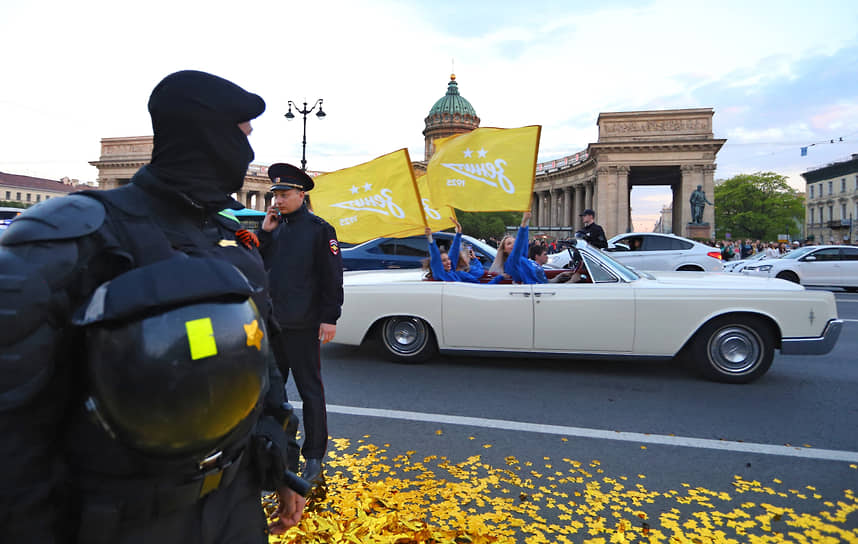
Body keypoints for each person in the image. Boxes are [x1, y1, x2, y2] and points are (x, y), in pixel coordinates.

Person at [0, 70, 307, 543]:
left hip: (234, 506)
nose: (248, 155)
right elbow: (13, 427)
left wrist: (283, 459)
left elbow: (260, 362)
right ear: (206, 138)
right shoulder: (72, 238)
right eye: (243, 137)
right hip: (121, 520)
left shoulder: (232, 241)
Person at [258, 163, 344, 486]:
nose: (278, 200)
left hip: (304, 324)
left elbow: (332, 277)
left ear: (301, 194)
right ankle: (277, 451)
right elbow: (260, 264)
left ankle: (314, 458)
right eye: (275, 194)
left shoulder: (320, 229)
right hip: (274, 324)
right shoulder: (274, 228)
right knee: (271, 392)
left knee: (310, 392)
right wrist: (265, 235)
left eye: (284, 194)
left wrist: (329, 317)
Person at [501, 212, 576, 284]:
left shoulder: (523, 260)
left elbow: (543, 282)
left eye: (514, 242)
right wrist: (524, 223)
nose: (513, 245)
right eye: (509, 243)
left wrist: (559, 277)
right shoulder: (512, 261)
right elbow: (521, 242)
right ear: (504, 249)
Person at [424, 218, 484, 282]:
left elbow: (454, 251)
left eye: (448, 259)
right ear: (438, 264)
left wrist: (458, 233)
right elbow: (435, 256)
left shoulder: (452, 270)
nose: (448, 262)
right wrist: (430, 240)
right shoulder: (440, 274)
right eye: (444, 260)